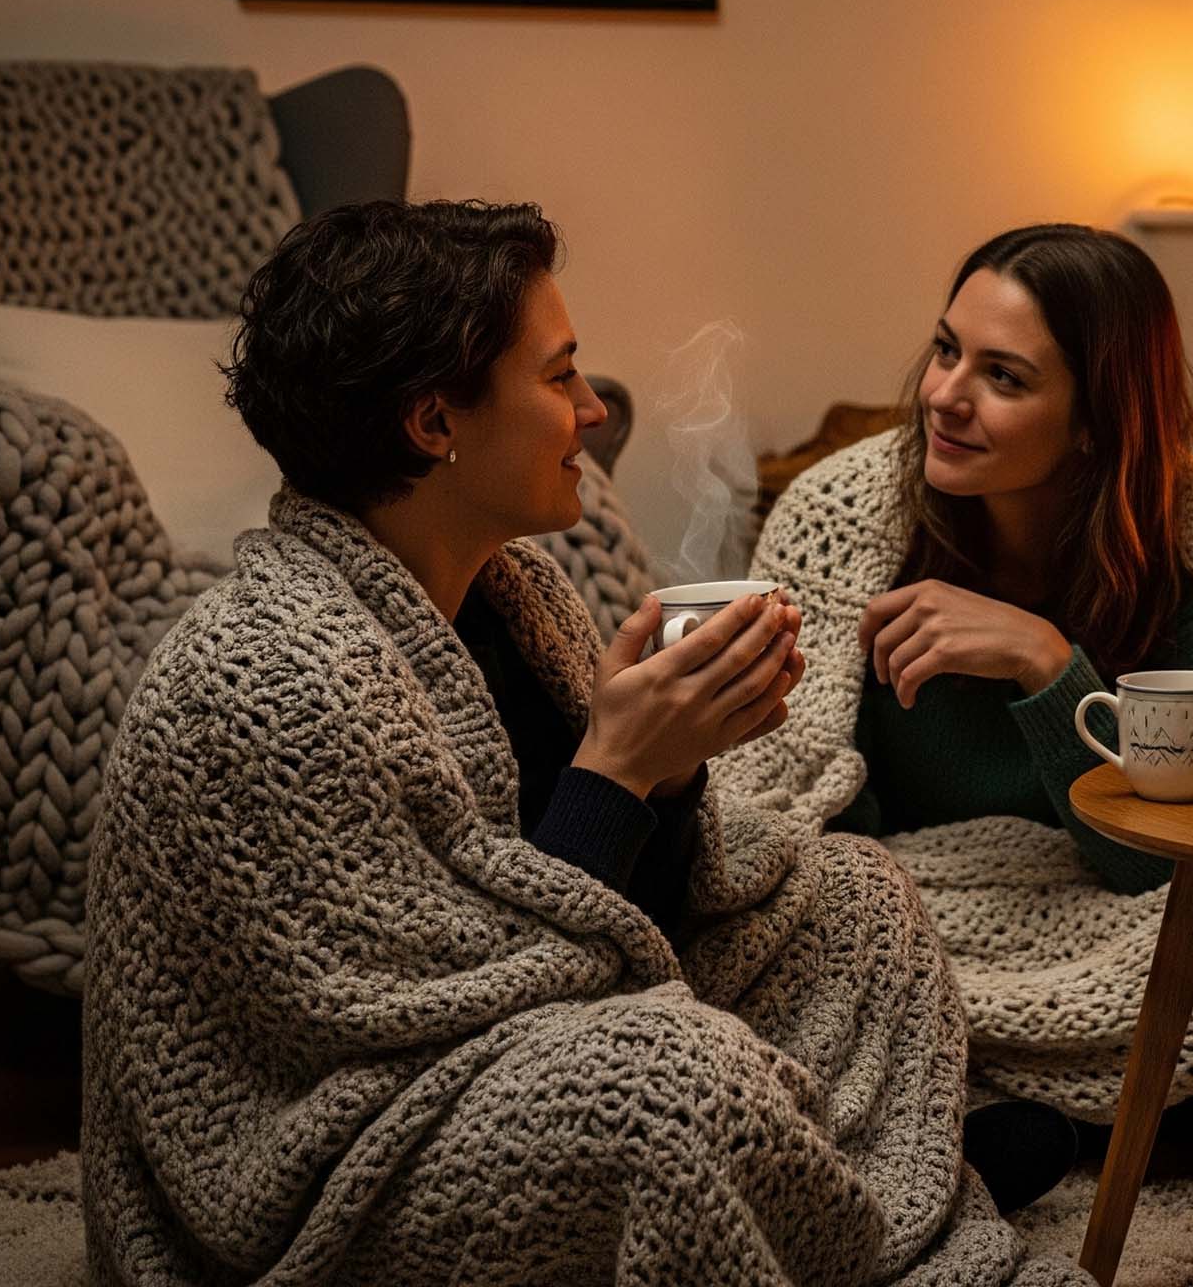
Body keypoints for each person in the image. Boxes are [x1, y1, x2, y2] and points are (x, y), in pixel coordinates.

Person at [80, 201, 1083, 1286]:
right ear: (434, 424)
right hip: (348, 1160)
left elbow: (628, 925)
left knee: (854, 899)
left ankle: (829, 1184)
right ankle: (843, 1193)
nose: (595, 410)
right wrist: (616, 768)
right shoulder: (269, 676)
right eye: (560, 378)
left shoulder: (515, 591)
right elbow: (453, 1017)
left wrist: (674, 760)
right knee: (660, 1082)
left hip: (533, 1038)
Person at [716, 224, 1193, 1208]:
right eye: (947, 350)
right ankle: (1133, 1106)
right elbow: (788, 817)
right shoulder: (837, 515)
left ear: (1096, 419)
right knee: (767, 931)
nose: (945, 394)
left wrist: (1048, 668)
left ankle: (953, 1101)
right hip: (901, 914)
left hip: (1116, 916)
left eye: (1004, 377)